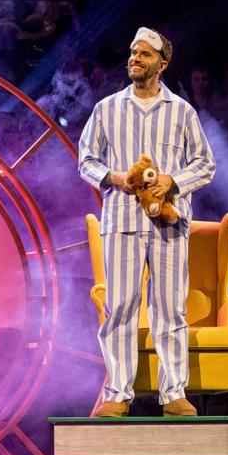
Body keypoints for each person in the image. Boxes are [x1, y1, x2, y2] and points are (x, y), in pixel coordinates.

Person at [79, 27, 215, 417]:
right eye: (133, 52)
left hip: (169, 224)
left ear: (162, 63)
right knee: (121, 305)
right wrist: (116, 178)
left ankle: (173, 393)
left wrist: (174, 182)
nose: (135, 59)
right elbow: (86, 160)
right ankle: (118, 393)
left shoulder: (182, 111)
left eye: (144, 54)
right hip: (122, 221)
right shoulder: (107, 109)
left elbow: (205, 163)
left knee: (170, 308)